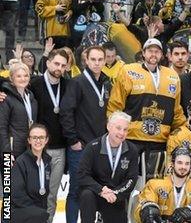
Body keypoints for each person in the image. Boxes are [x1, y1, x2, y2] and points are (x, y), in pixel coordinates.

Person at [107, 38, 186, 184]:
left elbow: (176, 111)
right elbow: (115, 105)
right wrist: (114, 132)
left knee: (155, 185)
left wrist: (184, 131)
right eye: (150, 51)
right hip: (132, 139)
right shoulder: (129, 71)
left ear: (162, 55)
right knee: (128, 183)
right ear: (143, 53)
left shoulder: (172, 76)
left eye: (157, 51)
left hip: (160, 141)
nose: (153, 54)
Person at [59, 45, 112, 223]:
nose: (97, 63)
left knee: (93, 192)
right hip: (80, 147)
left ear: (105, 60)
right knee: (76, 190)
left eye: (100, 60)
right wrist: (73, 140)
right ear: (86, 60)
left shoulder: (107, 82)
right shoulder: (77, 82)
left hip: (100, 148)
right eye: (93, 60)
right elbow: (66, 112)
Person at [77, 111, 139, 223]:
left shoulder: (132, 150)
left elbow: (131, 179)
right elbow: (82, 175)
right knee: (86, 195)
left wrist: (115, 193)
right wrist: (101, 190)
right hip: (95, 193)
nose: (122, 133)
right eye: (118, 128)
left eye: (125, 129)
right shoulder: (93, 147)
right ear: (109, 127)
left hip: (115, 197)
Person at [30, 48, 69, 221]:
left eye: (62, 65)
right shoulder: (35, 83)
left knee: (52, 194)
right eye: (56, 63)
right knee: (34, 192)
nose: (59, 68)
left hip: (59, 149)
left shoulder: (68, 85)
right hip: (38, 148)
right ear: (47, 62)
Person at [135, 146, 191, 222]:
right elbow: (138, 211)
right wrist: (147, 210)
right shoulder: (154, 184)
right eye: (180, 163)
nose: (183, 167)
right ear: (172, 164)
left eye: (187, 163)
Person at [10, 123, 52, 221]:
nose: (38, 140)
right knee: (41, 215)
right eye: (34, 137)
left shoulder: (47, 162)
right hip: (15, 210)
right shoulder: (20, 162)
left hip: (36, 211)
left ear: (46, 140)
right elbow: (17, 195)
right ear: (29, 140)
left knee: (42, 215)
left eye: (41, 137)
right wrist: (37, 211)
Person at [0, 62, 38, 159]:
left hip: (28, 149)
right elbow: (2, 128)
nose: (23, 79)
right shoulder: (5, 98)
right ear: (12, 78)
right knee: (8, 174)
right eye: (19, 76)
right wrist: (7, 153)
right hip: (10, 152)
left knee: (24, 174)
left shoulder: (31, 98)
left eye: (26, 75)